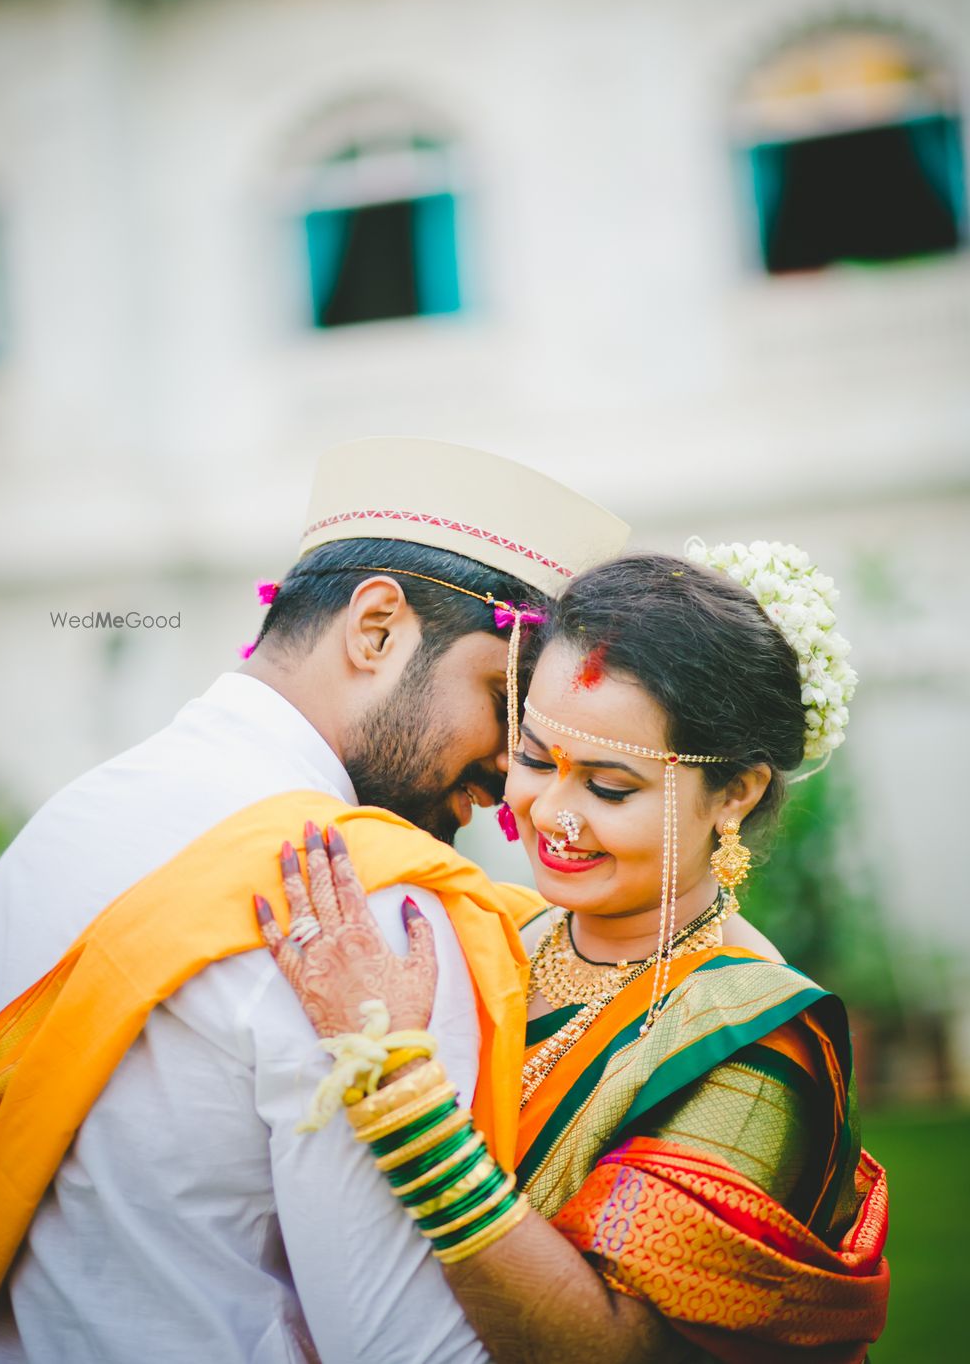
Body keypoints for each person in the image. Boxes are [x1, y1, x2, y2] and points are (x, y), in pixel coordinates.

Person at [0, 435, 630, 1363]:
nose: (512, 773)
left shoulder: (58, 832)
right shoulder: (370, 903)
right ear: (375, 629)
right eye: (501, 696)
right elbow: (407, 1349)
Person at [251, 543, 889, 1364]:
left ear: (735, 792)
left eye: (609, 786)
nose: (550, 812)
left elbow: (613, 1350)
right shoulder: (505, 932)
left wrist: (401, 1092)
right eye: (531, 757)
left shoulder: (753, 1041)